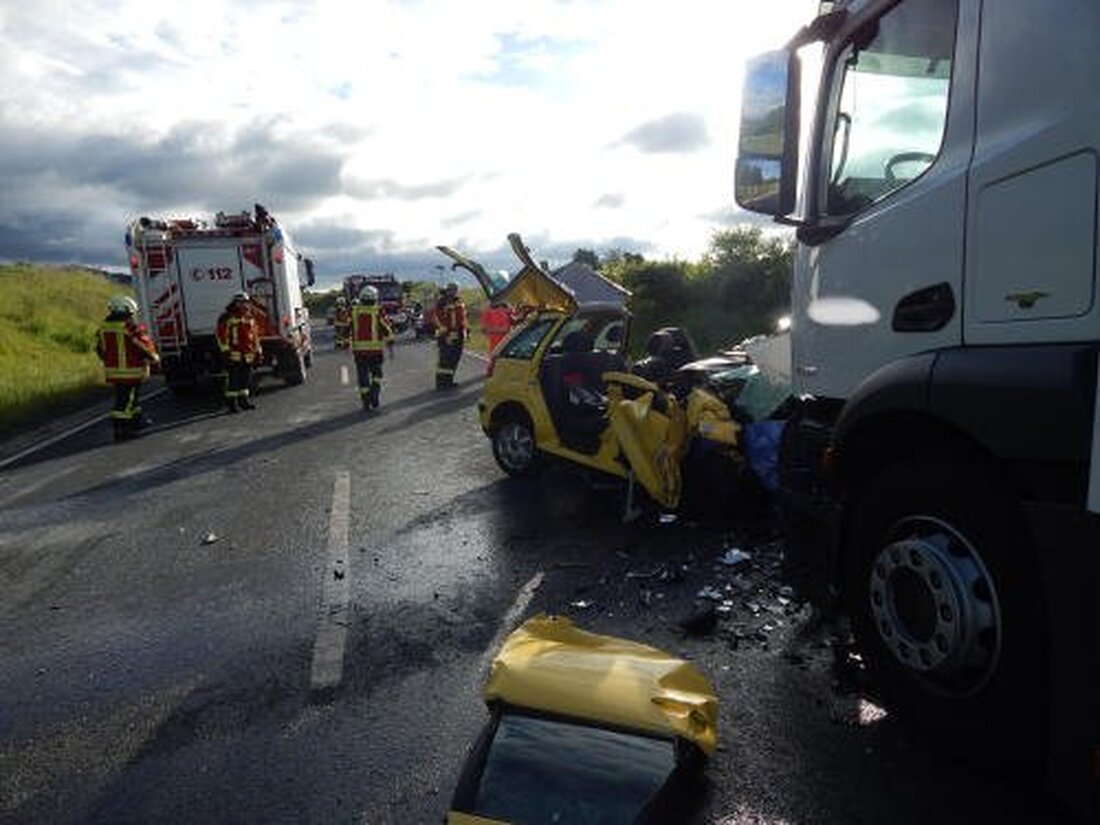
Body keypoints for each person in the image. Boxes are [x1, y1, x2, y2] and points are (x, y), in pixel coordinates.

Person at [95, 295, 160, 441]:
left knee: (130, 398)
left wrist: (109, 361)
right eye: (131, 313)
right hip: (131, 371)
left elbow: (99, 349)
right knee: (126, 401)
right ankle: (122, 430)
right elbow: (142, 345)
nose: (132, 315)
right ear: (127, 311)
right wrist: (154, 358)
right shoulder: (129, 327)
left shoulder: (103, 327)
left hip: (113, 371)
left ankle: (136, 420)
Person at [216, 292, 262, 412]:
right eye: (241, 302)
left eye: (246, 302)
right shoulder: (227, 317)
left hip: (248, 354)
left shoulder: (249, 317)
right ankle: (232, 404)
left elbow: (255, 336)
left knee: (245, 379)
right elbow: (221, 335)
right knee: (233, 380)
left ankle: (244, 401)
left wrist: (258, 351)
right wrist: (225, 352)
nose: (244, 305)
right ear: (235, 303)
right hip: (233, 355)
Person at [350, 285, 395, 409]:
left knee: (363, 377)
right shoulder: (378, 311)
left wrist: (345, 343)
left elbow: (348, 329)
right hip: (375, 351)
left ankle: (366, 401)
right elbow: (386, 329)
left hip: (359, 352)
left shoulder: (354, 312)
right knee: (377, 375)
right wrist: (390, 344)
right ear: (375, 298)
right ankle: (374, 394)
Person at [434, 282, 467, 389]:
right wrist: (446, 332)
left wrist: (465, 330)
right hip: (447, 334)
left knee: (454, 358)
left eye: (455, 290)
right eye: (452, 290)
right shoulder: (442, 302)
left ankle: (449, 381)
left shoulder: (457, 301)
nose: (454, 292)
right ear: (448, 290)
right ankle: (441, 383)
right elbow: (438, 317)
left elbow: (462, 317)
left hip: (458, 333)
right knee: (445, 359)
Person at [479, 299, 513, 370]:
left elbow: (483, 328)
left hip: (494, 340)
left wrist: (491, 330)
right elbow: (506, 328)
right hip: (503, 340)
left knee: (494, 357)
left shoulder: (487, 313)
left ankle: (491, 369)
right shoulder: (505, 313)